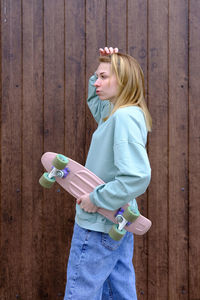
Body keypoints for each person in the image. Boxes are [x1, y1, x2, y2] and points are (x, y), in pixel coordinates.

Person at [64, 47, 152, 300]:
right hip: (118, 221)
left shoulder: (122, 117)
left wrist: (97, 199)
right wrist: (105, 63)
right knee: (119, 293)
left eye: (104, 77)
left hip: (99, 223)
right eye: (97, 77)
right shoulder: (115, 113)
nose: (97, 83)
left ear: (123, 80)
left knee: (80, 294)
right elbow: (95, 99)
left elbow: (137, 176)